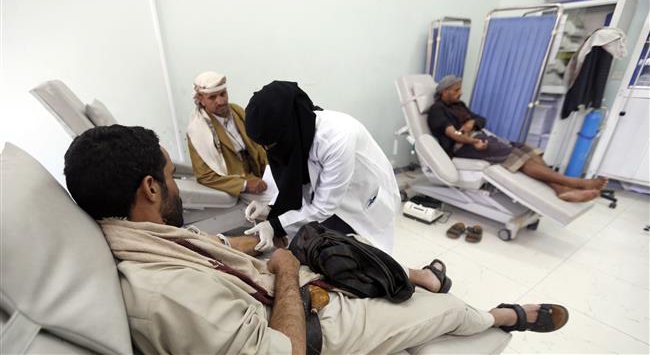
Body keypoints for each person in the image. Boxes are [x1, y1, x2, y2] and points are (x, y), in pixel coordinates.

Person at [64, 124, 570, 355]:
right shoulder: (161, 295)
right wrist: (285, 269)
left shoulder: (143, 238)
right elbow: (280, 350)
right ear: (150, 188)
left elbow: (204, 248)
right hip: (302, 323)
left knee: (335, 245)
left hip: (277, 288)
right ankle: (504, 315)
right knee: (441, 310)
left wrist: (261, 240)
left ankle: (418, 274)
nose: (177, 185)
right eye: (169, 177)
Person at [242, 81, 401, 254]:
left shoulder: (337, 138)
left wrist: (275, 225)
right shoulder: (294, 136)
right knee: (330, 254)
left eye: (271, 144)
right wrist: (271, 208)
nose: (268, 151)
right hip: (328, 205)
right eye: (264, 145)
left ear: (287, 130)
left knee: (368, 259)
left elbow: (324, 206)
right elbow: (289, 179)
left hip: (361, 200)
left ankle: (425, 275)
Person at [426, 75, 608, 203]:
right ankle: (573, 183)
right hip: (462, 147)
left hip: (479, 138)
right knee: (517, 156)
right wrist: (472, 140)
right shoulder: (437, 110)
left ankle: (561, 189)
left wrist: (471, 122)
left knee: (526, 149)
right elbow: (452, 134)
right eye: (456, 90)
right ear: (444, 92)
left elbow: (481, 119)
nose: (460, 92)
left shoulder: (459, 105)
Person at [187, 71, 269, 197]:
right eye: (212, 97)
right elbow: (205, 176)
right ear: (201, 100)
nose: (220, 101)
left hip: (259, 173)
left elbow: (259, 144)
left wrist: (271, 169)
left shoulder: (237, 111)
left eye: (222, 94)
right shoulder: (197, 130)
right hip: (237, 183)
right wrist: (245, 185)